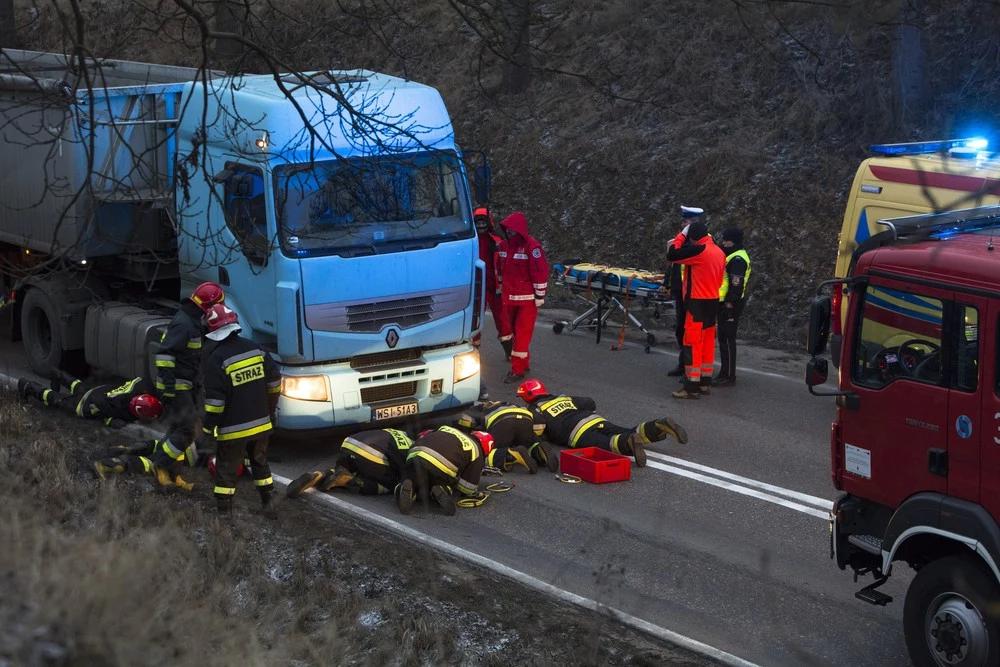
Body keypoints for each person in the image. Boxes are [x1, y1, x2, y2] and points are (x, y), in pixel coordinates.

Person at [200, 304, 282, 516]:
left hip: (233, 430)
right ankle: (269, 506)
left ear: (213, 332)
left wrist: (209, 429)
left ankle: (224, 516)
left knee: (226, 470)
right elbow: (275, 382)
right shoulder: (257, 349)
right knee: (260, 464)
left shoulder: (216, 360)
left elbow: (215, 404)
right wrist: (269, 411)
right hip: (262, 423)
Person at [515, 379, 688, 468]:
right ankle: (657, 425)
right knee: (627, 430)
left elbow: (538, 428)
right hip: (596, 421)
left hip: (578, 433)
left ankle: (629, 443)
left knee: (607, 444)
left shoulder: (535, 411)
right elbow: (589, 402)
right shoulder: (562, 397)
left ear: (528, 397)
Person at [154, 281, 225, 467]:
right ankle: (159, 464)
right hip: (176, 386)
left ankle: (162, 460)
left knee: (180, 427)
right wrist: (169, 386)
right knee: (188, 429)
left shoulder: (191, 320)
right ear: (209, 306)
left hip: (185, 384)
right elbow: (164, 354)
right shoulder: (184, 324)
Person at [666, 219, 726, 399]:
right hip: (712, 301)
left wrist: (681, 235)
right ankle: (704, 383)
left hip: (696, 303)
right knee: (707, 342)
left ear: (692, 238)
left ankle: (691, 386)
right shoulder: (719, 252)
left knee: (692, 343)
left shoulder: (699, 250)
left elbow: (672, 255)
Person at [285, 428, 413, 498]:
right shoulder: (412, 448)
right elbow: (405, 472)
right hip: (371, 454)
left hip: (348, 445)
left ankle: (320, 476)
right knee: (390, 485)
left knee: (341, 471)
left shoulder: (397, 432)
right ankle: (351, 481)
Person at [496, 212, 548, 383]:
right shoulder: (503, 246)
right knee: (515, 334)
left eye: (512, 230)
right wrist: (500, 286)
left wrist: (540, 295)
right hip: (509, 298)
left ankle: (517, 370)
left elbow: (540, 272)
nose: (510, 233)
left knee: (522, 334)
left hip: (526, 300)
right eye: (508, 230)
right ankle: (523, 364)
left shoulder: (532, 247)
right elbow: (500, 268)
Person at [397, 426, 493, 516]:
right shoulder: (477, 451)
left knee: (410, 476)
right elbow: (466, 488)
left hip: (416, 453)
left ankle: (406, 488)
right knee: (440, 478)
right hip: (441, 466)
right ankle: (442, 489)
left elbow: (425, 434)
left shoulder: (446, 427)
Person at [17, 374, 163, 428]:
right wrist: (109, 420)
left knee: (80, 388)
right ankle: (28, 386)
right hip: (88, 404)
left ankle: (57, 374)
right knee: (60, 402)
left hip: (100, 390)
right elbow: (102, 407)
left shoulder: (139, 387)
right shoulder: (119, 408)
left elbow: (143, 380)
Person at [456, 400, 558, 473]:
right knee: (529, 444)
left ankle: (511, 455)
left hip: (503, 421)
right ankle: (539, 451)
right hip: (526, 418)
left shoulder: (477, 408)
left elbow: (466, 422)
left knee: (487, 452)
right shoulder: (508, 403)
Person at [666, 206, 703, 377]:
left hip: (694, 293)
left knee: (691, 332)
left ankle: (690, 367)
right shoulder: (680, 241)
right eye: (684, 222)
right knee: (681, 329)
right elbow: (672, 263)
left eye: (687, 222)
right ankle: (684, 363)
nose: (684, 225)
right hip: (681, 291)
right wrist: (668, 284)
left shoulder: (699, 244)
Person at [715, 227, 751, 387]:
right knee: (723, 338)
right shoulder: (732, 255)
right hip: (726, 302)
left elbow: (736, 285)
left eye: (726, 240)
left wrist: (729, 304)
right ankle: (724, 372)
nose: (723, 243)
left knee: (728, 339)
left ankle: (729, 376)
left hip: (731, 304)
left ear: (734, 241)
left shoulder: (737, 260)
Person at [91, 436, 198, 490]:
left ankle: (119, 450)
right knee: (135, 463)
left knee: (138, 449)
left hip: (154, 449)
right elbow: (172, 479)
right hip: (153, 463)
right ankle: (102, 466)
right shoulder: (179, 458)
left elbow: (153, 444)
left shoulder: (172, 444)